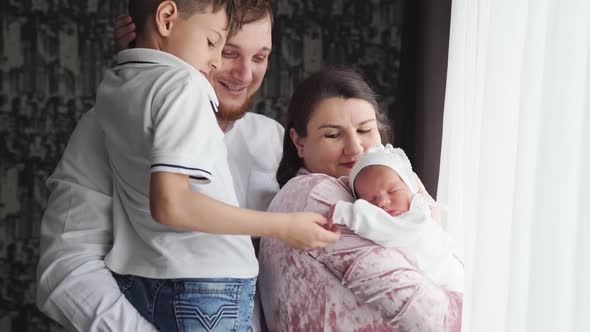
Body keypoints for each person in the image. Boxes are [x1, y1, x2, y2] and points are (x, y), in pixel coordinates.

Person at [36, 1, 339, 331]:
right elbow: (64, 270)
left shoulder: (274, 139)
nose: (245, 74)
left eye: (259, 57)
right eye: (223, 49)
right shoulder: (108, 128)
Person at [258, 67, 463, 331]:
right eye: (333, 135)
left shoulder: (358, 196)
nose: (355, 147)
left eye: (365, 130)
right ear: (298, 142)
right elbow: (427, 314)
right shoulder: (320, 195)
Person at [329, 143, 464, 293]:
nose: (383, 202)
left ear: (410, 188)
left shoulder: (417, 216)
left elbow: (386, 228)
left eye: (393, 191)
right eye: (370, 200)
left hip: (450, 281)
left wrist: (347, 213)